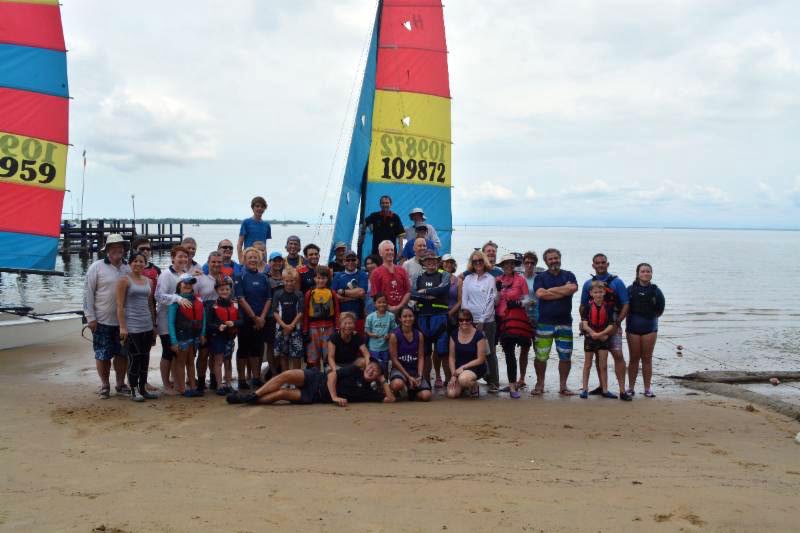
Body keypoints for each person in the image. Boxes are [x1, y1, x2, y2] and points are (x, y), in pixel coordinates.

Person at [226, 358, 395, 406]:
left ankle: (248, 400)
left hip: (315, 396)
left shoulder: (368, 392)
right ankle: (253, 394)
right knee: (286, 375)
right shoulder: (354, 370)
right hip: (316, 378)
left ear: (376, 377)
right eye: (371, 366)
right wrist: (335, 396)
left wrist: (383, 379)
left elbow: (390, 399)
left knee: (282, 394)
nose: (371, 370)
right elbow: (332, 375)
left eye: (376, 371)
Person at [84, 234, 132, 399]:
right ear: (107, 250)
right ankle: (105, 384)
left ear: (124, 249)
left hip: (124, 322)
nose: (118, 250)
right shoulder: (96, 267)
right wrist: (90, 317)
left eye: (120, 247)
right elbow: (88, 293)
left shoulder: (129, 268)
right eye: (114, 247)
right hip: (101, 320)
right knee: (102, 354)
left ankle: (120, 383)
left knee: (122, 354)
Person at [579, 253, 630, 397]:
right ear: (593, 265)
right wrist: (582, 323)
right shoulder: (588, 284)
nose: (600, 265)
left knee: (618, 355)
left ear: (607, 264)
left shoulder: (617, 282)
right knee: (598, 357)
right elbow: (583, 306)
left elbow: (626, 304)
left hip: (612, 325)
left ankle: (622, 390)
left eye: (603, 262)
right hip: (593, 328)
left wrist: (617, 323)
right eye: (597, 263)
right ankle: (602, 387)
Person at [533, 248, 579, 396]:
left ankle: (563, 386)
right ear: (546, 262)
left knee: (565, 356)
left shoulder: (569, 275)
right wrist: (562, 290)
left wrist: (550, 291)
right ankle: (540, 384)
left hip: (565, 322)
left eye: (556, 258)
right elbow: (540, 294)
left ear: (560, 258)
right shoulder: (540, 277)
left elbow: (572, 288)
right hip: (544, 323)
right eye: (550, 259)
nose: (554, 261)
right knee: (541, 356)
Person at [115, 251, 157, 402]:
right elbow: (119, 305)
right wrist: (122, 327)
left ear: (145, 264)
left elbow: (150, 304)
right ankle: (133, 390)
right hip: (132, 326)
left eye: (141, 261)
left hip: (146, 324)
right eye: (135, 261)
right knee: (134, 358)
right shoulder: (124, 280)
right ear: (130, 263)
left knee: (145, 358)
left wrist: (154, 324)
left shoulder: (149, 281)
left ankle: (143, 388)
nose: (138, 264)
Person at [155, 245, 192, 394]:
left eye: (185, 256)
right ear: (173, 258)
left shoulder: (185, 274)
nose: (183, 259)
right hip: (165, 319)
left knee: (179, 352)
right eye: (180, 256)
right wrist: (176, 298)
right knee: (168, 352)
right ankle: (165, 384)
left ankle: (177, 382)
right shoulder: (165, 275)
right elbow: (158, 296)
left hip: (181, 321)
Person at [461, 249, 499, 393]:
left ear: (485, 262)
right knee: (471, 351)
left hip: (487, 321)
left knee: (489, 351)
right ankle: (471, 382)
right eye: (475, 261)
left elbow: (491, 300)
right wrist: (467, 319)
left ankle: (493, 381)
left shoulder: (490, 278)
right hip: (470, 320)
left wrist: (482, 320)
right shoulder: (468, 279)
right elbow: (464, 299)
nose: (478, 263)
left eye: (480, 261)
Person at [496, 253, 533, 398]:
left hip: (518, 319)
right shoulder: (497, 279)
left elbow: (528, 300)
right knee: (509, 353)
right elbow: (495, 302)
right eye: (506, 264)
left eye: (511, 263)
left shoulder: (520, 279)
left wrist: (517, 303)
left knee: (524, 349)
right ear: (502, 266)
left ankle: (521, 379)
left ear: (515, 265)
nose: (509, 266)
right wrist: (498, 291)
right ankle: (512, 386)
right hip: (503, 319)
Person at [235, 247, 272, 390]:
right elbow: (241, 299)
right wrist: (254, 317)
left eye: (255, 257)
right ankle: (242, 379)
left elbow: (268, 298)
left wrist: (261, 318)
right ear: (244, 259)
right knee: (243, 350)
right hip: (245, 319)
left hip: (261, 320)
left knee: (257, 349)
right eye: (249, 257)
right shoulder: (240, 276)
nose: (252, 260)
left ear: (259, 259)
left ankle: (256, 378)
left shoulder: (263, 277)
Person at [626, 263, 665, 398]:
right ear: (638, 274)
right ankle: (630, 388)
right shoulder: (630, 289)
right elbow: (624, 307)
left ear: (651, 274)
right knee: (634, 358)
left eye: (648, 271)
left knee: (647, 359)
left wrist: (649, 319)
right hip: (632, 329)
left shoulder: (656, 291)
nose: (646, 273)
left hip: (650, 329)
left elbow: (660, 309)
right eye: (643, 271)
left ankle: (647, 388)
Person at [410, 250, 450, 382]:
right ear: (423, 263)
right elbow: (412, 293)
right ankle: (426, 382)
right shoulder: (417, 276)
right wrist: (433, 295)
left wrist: (425, 292)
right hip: (423, 319)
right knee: (425, 353)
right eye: (428, 260)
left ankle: (449, 381)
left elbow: (443, 289)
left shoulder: (444, 275)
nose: (431, 263)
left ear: (438, 262)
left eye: (434, 260)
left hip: (440, 318)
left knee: (443, 352)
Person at [167, 274, 205, 397]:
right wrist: (173, 341)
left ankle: (193, 386)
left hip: (194, 335)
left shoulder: (198, 300)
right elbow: (171, 323)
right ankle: (182, 388)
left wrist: (203, 334)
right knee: (180, 361)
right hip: (181, 336)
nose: (188, 285)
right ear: (179, 285)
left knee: (191, 361)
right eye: (185, 283)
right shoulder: (175, 302)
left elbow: (203, 318)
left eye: (190, 283)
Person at [206, 276, 242, 395]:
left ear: (230, 290)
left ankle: (228, 383)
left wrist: (234, 323)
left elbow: (242, 320)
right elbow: (208, 324)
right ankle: (219, 385)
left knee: (228, 360)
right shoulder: (213, 305)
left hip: (230, 337)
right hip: (217, 337)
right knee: (219, 361)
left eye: (227, 289)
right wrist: (218, 327)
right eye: (221, 290)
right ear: (217, 291)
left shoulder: (235, 304)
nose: (224, 292)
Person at [195, 251, 224, 391]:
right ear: (208, 262)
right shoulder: (201, 278)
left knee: (216, 352)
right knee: (203, 353)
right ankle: (200, 381)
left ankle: (213, 379)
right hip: (204, 320)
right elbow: (193, 298)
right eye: (213, 262)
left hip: (219, 321)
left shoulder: (226, 279)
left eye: (219, 262)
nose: (216, 264)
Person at [389, 308, 432, 401]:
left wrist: (420, 375)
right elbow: (394, 360)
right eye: (404, 316)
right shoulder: (394, 335)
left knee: (426, 395)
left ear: (414, 317)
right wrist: (408, 377)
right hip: (400, 370)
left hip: (414, 370)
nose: (408, 319)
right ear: (400, 318)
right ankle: (399, 388)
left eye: (410, 316)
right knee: (397, 384)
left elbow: (421, 357)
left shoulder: (419, 335)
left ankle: (410, 391)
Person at [302, 266, 339, 370]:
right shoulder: (309, 293)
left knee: (329, 357)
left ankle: (327, 381)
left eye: (323, 278)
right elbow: (305, 313)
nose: (321, 280)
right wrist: (305, 331)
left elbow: (336, 312)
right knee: (313, 359)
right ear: (314, 278)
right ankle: (315, 381)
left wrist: (337, 328)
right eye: (318, 278)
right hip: (313, 329)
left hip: (329, 328)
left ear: (327, 279)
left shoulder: (332, 293)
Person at [446, 309, 488, 398]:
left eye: (467, 320)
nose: (464, 322)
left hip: (475, 367)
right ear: (458, 321)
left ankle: (474, 385)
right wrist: (453, 374)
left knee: (464, 379)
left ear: (471, 320)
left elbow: (481, 359)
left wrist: (463, 367)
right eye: (461, 320)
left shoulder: (479, 335)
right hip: (459, 370)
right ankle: (464, 386)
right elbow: (451, 357)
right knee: (452, 394)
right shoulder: (454, 334)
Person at [435, 254, 461, 387]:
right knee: (438, 348)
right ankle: (438, 376)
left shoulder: (457, 280)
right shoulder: (437, 277)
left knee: (450, 348)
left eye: (451, 262)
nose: (448, 265)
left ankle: (449, 376)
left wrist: (450, 313)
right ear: (441, 264)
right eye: (446, 262)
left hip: (452, 317)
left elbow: (460, 300)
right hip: (438, 315)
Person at [272, 267, 304, 374]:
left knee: (296, 356)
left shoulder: (299, 294)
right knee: (283, 355)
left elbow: (300, 312)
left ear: (295, 281)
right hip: (281, 328)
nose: (289, 283)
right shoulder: (278, 294)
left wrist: (291, 326)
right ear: (283, 280)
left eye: (292, 281)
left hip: (296, 329)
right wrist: (284, 326)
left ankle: (296, 380)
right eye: (286, 281)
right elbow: (275, 312)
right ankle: (285, 379)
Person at [520, 251, 544, 390]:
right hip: (523, 317)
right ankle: (522, 378)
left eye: (532, 263)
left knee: (539, 350)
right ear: (523, 264)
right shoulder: (519, 278)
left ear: (535, 265)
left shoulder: (539, 279)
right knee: (524, 349)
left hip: (538, 317)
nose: (529, 265)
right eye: (527, 262)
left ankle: (539, 381)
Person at [369, 240, 410, 315]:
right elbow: (375, 295)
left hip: (402, 312)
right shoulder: (376, 273)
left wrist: (399, 306)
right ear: (380, 253)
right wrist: (389, 308)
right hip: (384, 313)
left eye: (392, 250)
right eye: (387, 250)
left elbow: (407, 291)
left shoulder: (402, 270)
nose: (390, 252)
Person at [332, 249, 368, 334]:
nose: (350, 262)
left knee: (358, 342)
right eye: (348, 260)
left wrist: (343, 292)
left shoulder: (362, 274)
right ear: (344, 262)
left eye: (353, 259)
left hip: (359, 315)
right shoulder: (338, 276)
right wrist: (355, 296)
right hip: (342, 316)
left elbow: (362, 292)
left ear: (357, 261)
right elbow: (334, 296)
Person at [264, 251, 286, 378]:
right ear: (269, 262)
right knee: (271, 346)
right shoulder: (265, 278)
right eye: (274, 261)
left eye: (279, 260)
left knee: (282, 346)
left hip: (284, 317)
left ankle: (279, 372)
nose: (277, 263)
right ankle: (272, 372)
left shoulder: (285, 276)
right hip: (270, 317)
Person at [364, 293, 397, 371]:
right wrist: (371, 334)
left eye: (384, 302)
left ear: (387, 303)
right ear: (375, 304)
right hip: (373, 348)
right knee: (374, 367)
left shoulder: (391, 316)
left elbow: (394, 330)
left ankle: (384, 381)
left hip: (386, 348)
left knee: (384, 367)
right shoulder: (370, 317)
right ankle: (375, 382)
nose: (382, 304)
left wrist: (389, 335)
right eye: (379, 302)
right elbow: (366, 330)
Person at [237, 196, 271, 263]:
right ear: (252, 208)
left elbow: (264, 245)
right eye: (257, 206)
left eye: (262, 206)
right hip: (248, 259)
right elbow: (239, 244)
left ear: (264, 208)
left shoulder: (267, 225)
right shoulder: (246, 222)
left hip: (261, 260)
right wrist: (240, 260)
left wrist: (265, 262)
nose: (259, 208)